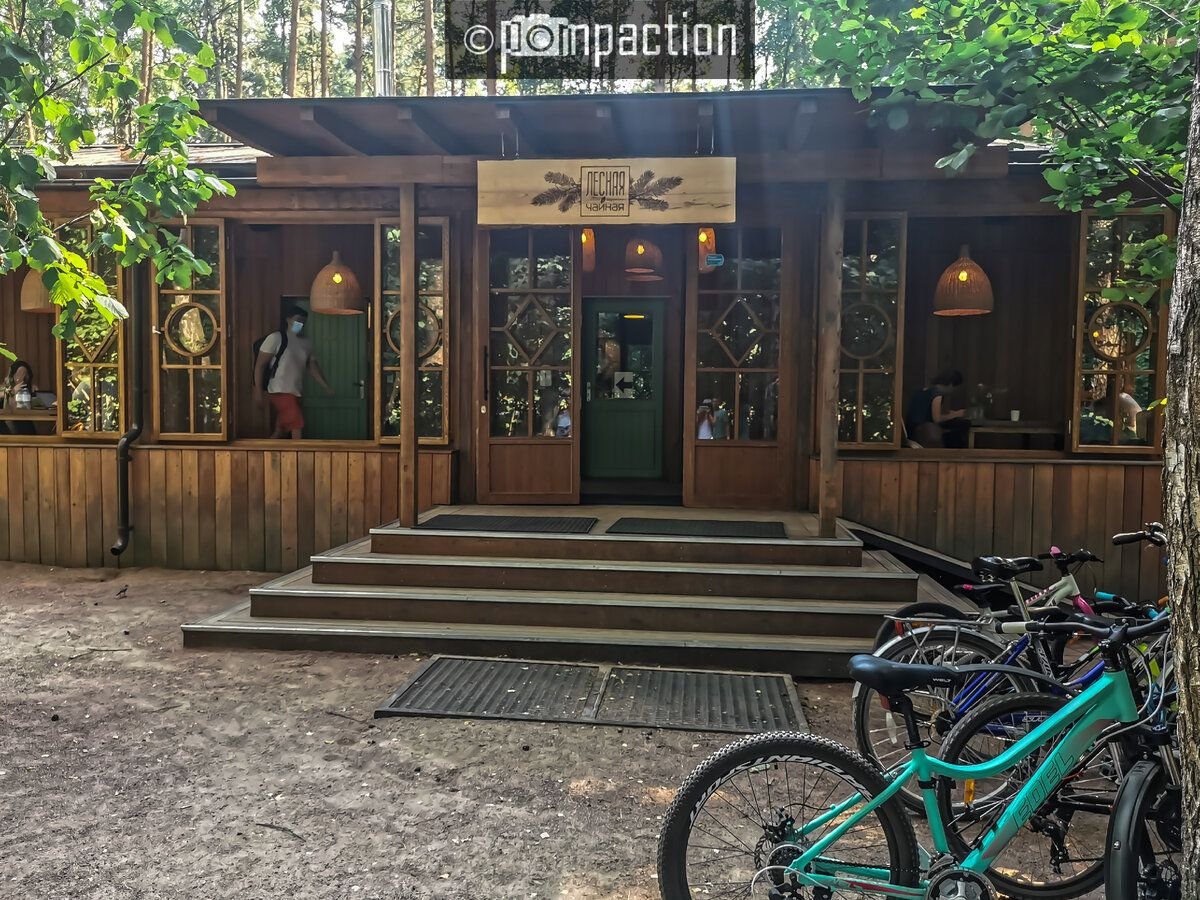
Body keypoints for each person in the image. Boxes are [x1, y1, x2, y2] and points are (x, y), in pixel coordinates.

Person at [255, 306, 334, 439]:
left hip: (296, 391)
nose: (300, 323)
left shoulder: (306, 343)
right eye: (298, 320)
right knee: (297, 425)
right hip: (279, 390)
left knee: (280, 430)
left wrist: (325, 386)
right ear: (288, 319)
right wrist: (257, 391)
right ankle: (299, 451)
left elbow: (312, 367)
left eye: (303, 321)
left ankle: (265, 450)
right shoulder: (276, 338)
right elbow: (260, 365)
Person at [907, 369, 968, 449]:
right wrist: (956, 414)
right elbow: (937, 419)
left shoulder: (923, 391)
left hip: (912, 430)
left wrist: (950, 414)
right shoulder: (937, 394)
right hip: (924, 431)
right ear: (951, 385)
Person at [1, 359, 36, 436]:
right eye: (19, 374)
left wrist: (35, 394)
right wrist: (12, 391)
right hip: (5, 425)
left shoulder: (28, 389)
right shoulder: (5, 388)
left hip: (23, 422)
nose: (21, 377)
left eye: (24, 374)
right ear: (12, 375)